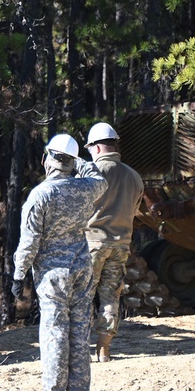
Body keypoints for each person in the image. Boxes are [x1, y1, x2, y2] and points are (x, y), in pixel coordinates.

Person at [12, 134, 107, 391]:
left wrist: (19, 275)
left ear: (47, 159)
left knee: (55, 332)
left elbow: (29, 242)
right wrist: (81, 163)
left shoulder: (40, 195)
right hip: (81, 269)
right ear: (72, 163)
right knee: (79, 332)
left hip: (53, 275)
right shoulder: (87, 188)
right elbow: (100, 178)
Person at [80, 122, 144, 362]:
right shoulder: (134, 176)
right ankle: (104, 348)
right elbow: (135, 210)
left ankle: (79, 348)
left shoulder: (89, 174)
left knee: (82, 295)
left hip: (91, 244)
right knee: (110, 295)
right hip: (120, 245)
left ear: (96, 148)